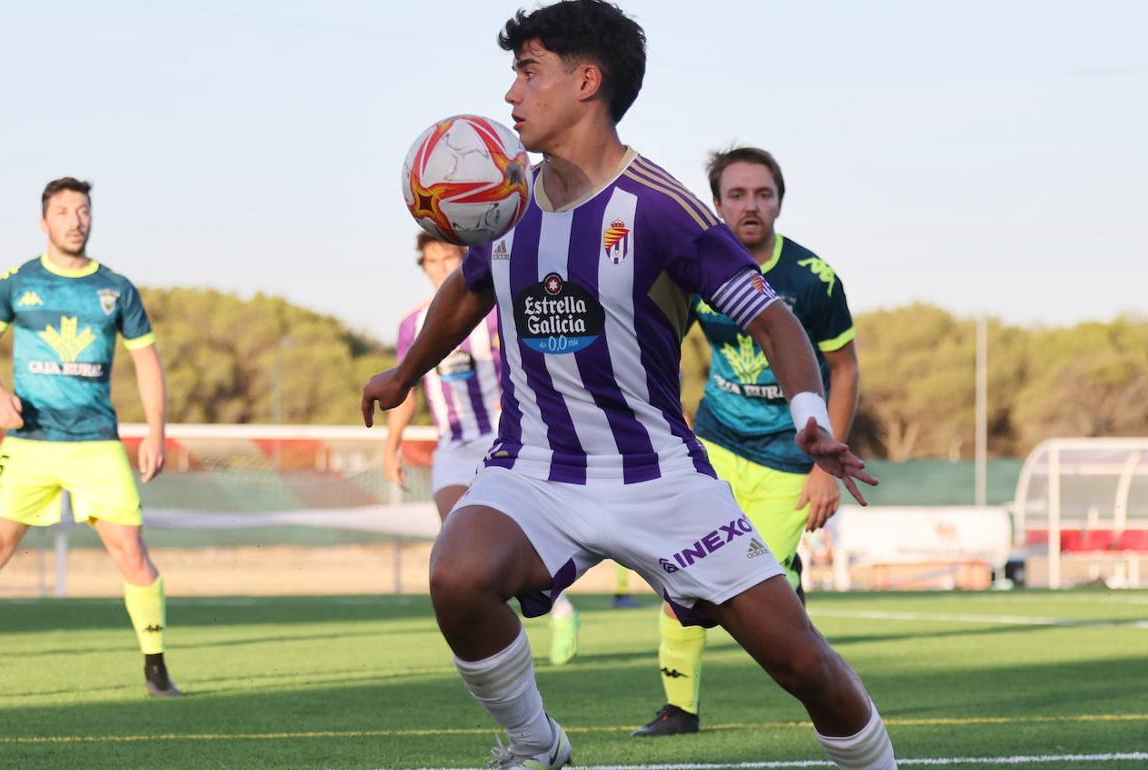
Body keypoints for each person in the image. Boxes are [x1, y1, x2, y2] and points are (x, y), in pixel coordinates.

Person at [361, 2, 896, 768]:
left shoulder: (662, 210)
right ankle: (535, 745)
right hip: (535, 468)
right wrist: (403, 372)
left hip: (658, 479)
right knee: (457, 574)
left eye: (527, 71)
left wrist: (809, 413)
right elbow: (471, 289)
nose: (510, 95)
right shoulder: (504, 204)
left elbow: (776, 321)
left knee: (800, 663)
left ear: (586, 81)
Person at [634, 147, 861, 737]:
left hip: (791, 460)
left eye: (762, 194)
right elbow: (660, 336)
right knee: (680, 568)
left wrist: (825, 466)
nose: (750, 206)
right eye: (736, 195)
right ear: (717, 203)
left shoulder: (813, 279)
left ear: (779, 201)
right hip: (713, 445)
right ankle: (678, 710)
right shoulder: (699, 266)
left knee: (768, 593)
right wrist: (673, 409)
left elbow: (846, 368)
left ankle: (826, 693)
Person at [0, 177, 179, 698]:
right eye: (63, 211)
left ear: (92, 218)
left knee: (131, 552)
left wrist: (156, 430)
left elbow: (147, 362)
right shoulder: (16, 283)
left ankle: (156, 670)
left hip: (95, 443)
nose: (75, 219)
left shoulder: (116, 289)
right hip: (28, 443)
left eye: (82, 210)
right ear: (45, 223)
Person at [384, 232, 581, 664]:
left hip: (500, 437)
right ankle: (514, 630)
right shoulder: (411, 325)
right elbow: (408, 386)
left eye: (447, 257)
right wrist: (390, 446)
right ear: (423, 266)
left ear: (461, 257)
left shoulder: (491, 311)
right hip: (452, 446)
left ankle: (559, 609)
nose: (439, 266)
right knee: (457, 541)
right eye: (431, 260)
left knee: (507, 537)